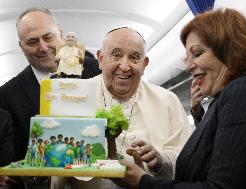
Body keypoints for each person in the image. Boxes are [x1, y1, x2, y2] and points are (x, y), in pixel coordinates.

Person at [116, 8, 246, 189]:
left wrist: (143, 181)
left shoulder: (244, 92)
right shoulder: (220, 102)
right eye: (187, 57)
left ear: (230, 50)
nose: (188, 66)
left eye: (197, 53)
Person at [53, 27, 194, 189]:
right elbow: (57, 163)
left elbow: (187, 158)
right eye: (116, 55)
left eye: (134, 58)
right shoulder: (73, 97)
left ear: (144, 64)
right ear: (100, 58)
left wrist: (160, 160)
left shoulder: (168, 101)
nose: (125, 66)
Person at [0, 7, 100, 188]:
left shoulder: (98, 71)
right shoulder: (7, 96)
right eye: (32, 41)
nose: (43, 47)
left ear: (60, 34)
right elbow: (12, 163)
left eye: (48, 37)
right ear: (21, 46)